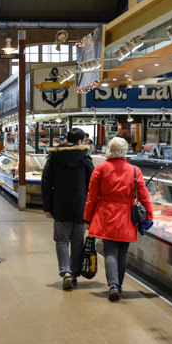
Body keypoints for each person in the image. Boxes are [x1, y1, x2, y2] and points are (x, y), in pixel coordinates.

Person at [84, 137, 154, 302]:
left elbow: (91, 197)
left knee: (110, 252)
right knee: (122, 253)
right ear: (125, 151)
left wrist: (87, 217)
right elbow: (144, 195)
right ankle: (119, 286)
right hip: (126, 216)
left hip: (106, 214)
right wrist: (149, 215)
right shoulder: (135, 171)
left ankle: (112, 285)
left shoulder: (100, 170)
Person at [41, 127, 94, 291]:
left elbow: (46, 183)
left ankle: (66, 272)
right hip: (80, 206)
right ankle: (75, 273)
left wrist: (47, 207)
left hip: (60, 205)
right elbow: (92, 185)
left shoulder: (54, 158)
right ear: (79, 141)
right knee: (77, 242)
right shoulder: (85, 159)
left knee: (62, 240)